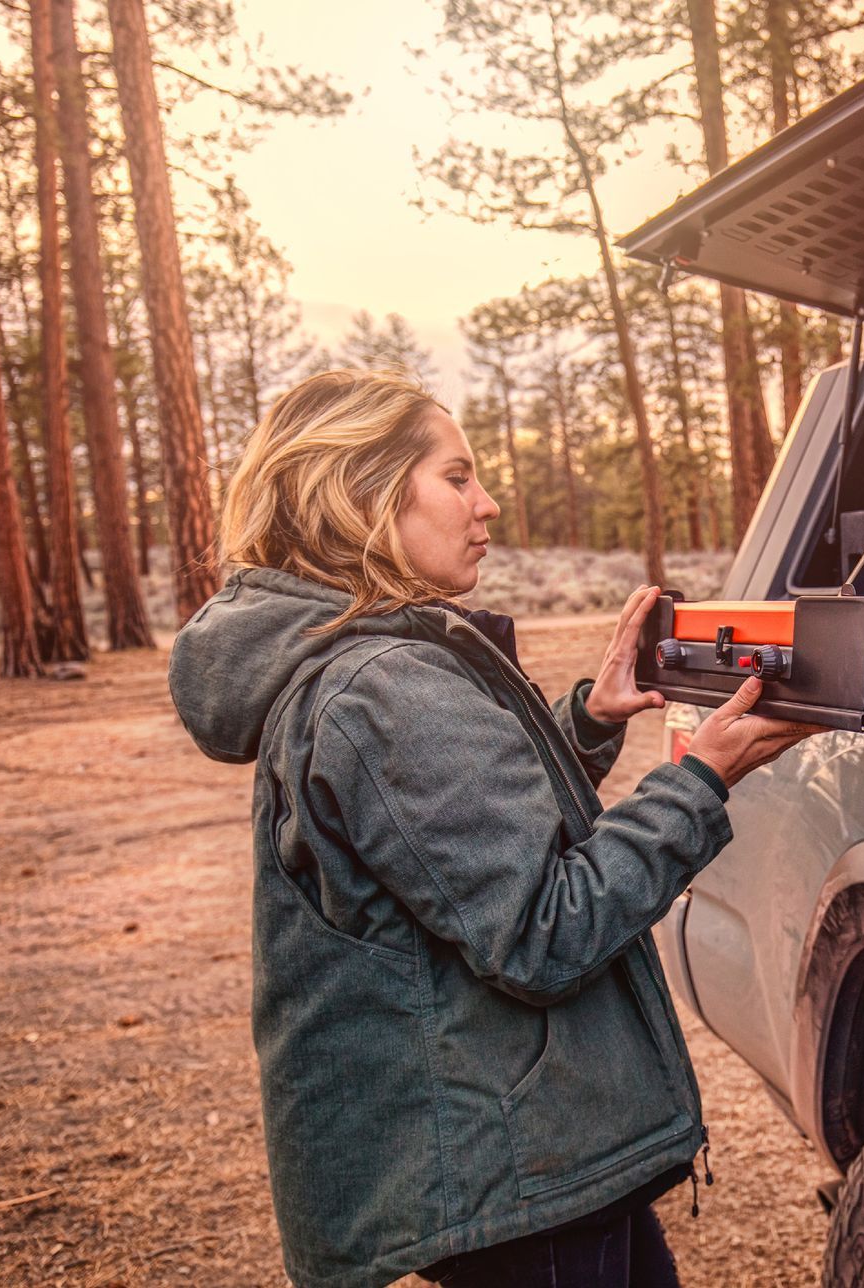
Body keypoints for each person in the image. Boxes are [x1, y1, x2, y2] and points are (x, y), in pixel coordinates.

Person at [167, 368, 821, 1288]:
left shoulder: (357, 665)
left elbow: (442, 835)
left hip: (514, 1150)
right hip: (515, 1164)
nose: (489, 502)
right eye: (458, 477)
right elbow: (545, 930)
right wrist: (698, 781)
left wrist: (591, 718)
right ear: (364, 496)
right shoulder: (382, 684)